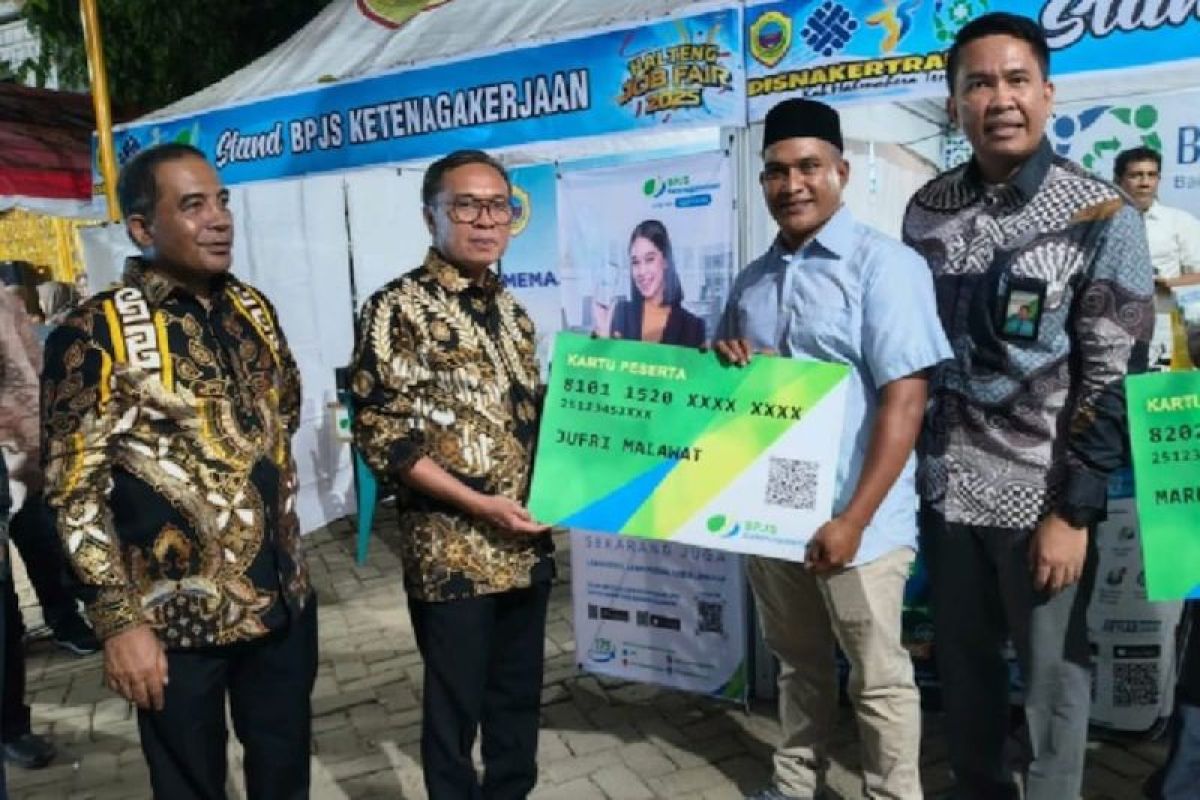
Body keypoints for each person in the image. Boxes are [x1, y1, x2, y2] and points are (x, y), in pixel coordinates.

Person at [902, 13, 1154, 800]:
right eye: (979, 84)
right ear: (955, 104)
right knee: (964, 670)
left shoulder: (1101, 214)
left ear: (1048, 93)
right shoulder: (927, 209)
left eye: (1017, 80)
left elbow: (1113, 375)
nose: (1000, 99)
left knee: (1053, 683)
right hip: (945, 495)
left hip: (1039, 501)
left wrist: (1074, 513)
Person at [40, 142, 317, 800]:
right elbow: (73, 492)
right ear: (142, 228)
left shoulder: (252, 310)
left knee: (285, 776)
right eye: (192, 206)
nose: (218, 219)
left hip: (283, 604)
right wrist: (118, 622)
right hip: (172, 623)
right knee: (189, 787)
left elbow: (284, 415)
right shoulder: (95, 332)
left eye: (221, 202)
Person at [716, 98, 951, 800]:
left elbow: (906, 403)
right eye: (776, 171)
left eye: (809, 167)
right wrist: (727, 359)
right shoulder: (752, 281)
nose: (792, 184)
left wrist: (853, 518)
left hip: (861, 523)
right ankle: (795, 785)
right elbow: (731, 392)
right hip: (770, 519)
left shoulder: (886, 267)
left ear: (841, 172)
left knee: (879, 681)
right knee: (798, 664)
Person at [349, 148, 553, 800]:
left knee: (517, 705)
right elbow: (382, 435)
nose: (486, 220)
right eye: (466, 206)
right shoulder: (396, 308)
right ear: (431, 215)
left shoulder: (513, 311)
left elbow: (532, 417)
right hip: (452, 555)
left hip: (526, 544)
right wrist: (479, 503)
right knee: (454, 716)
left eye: (498, 206)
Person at [0, 289, 62, 771]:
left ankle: (10, 727)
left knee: (3, 612)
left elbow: (28, 369)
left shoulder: (5, 302)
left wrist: (37, 441)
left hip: (11, 458)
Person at [597, 219, 705, 346]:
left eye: (649, 259)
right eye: (635, 262)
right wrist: (603, 335)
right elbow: (603, 357)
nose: (642, 271)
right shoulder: (620, 313)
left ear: (665, 260)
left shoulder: (692, 326)